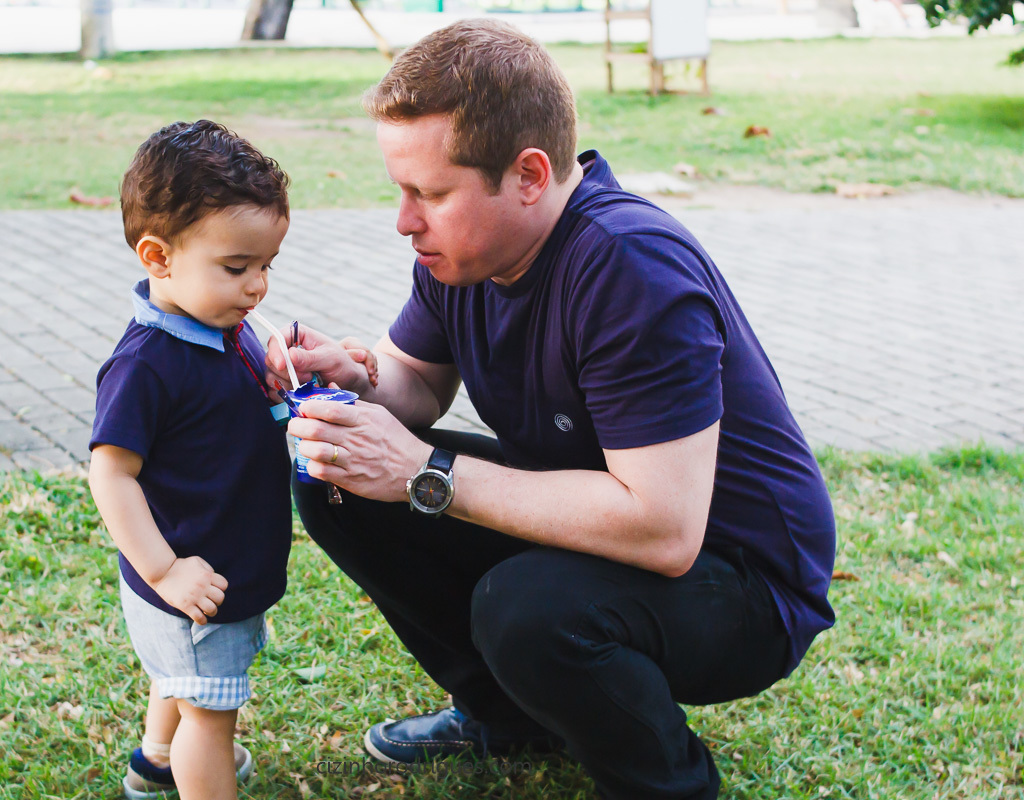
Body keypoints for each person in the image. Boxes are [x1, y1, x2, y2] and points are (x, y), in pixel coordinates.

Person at [265, 19, 837, 800]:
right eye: (401, 190)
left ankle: (669, 785)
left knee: (527, 609)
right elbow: (418, 383)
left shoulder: (629, 267)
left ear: (529, 175)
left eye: (430, 193)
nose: (405, 220)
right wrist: (357, 379)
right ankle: (507, 715)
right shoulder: (464, 252)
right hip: (602, 519)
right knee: (338, 476)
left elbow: (664, 530)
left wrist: (425, 472)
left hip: (740, 580)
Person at [87, 119, 293, 800]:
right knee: (209, 716)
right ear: (158, 257)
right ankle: (192, 770)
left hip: (219, 561)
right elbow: (111, 472)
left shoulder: (219, 327)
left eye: (266, 265)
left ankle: (154, 760)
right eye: (236, 268)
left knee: (182, 681)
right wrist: (164, 570)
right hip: (188, 578)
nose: (257, 286)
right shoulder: (147, 364)